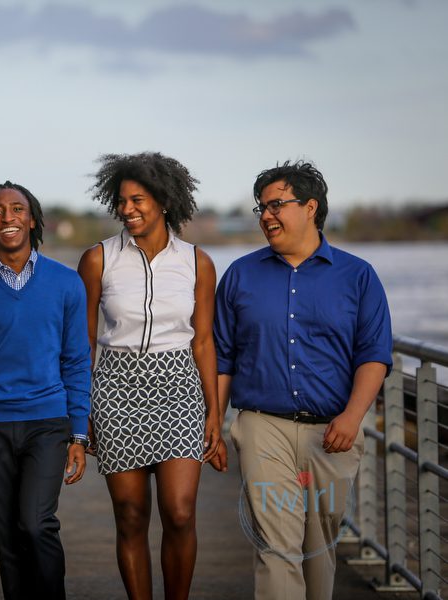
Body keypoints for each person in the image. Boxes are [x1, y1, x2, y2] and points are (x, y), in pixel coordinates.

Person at [214, 160, 392, 600]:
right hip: (262, 427)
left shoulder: (358, 276)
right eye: (261, 208)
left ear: (310, 207)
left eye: (276, 205)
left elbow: (373, 354)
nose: (266, 216)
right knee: (277, 546)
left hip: (332, 433)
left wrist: (353, 417)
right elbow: (222, 357)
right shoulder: (240, 274)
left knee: (318, 550)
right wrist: (213, 425)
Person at [76, 152, 221, 600]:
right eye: (121, 201)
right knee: (131, 514)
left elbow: (203, 341)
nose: (126, 209)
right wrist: (81, 412)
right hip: (117, 386)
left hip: (179, 385)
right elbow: (84, 343)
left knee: (179, 511)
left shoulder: (198, 263)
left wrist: (215, 412)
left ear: (164, 201)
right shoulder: (98, 260)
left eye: (137, 200)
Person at [0, 181, 91, 600]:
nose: (7, 217)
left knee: (35, 522)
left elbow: (77, 361)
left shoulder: (66, 284)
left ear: (32, 219)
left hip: (47, 422)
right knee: (6, 540)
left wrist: (79, 434)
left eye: (16, 209)